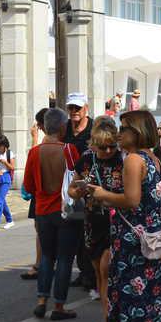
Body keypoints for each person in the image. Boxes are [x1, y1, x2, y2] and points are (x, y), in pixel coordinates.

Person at [88, 110, 161, 322]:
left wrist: (101, 194)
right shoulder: (153, 158)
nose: (118, 134)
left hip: (133, 246)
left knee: (124, 311)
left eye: (124, 129)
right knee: (154, 309)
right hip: (154, 243)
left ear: (137, 132)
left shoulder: (133, 160)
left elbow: (131, 200)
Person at [69, 117, 123, 322]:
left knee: (106, 268)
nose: (108, 150)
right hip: (93, 222)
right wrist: (79, 191)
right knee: (100, 277)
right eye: (103, 147)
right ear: (93, 144)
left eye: (112, 145)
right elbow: (72, 189)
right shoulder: (86, 160)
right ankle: (107, 320)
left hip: (117, 222)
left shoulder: (123, 160)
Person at [23, 108, 79, 320]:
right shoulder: (69, 150)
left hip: (42, 211)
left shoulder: (35, 152)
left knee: (47, 256)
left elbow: (28, 186)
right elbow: (78, 178)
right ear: (62, 127)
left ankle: (41, 300)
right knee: (64, 259)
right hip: (65, 211)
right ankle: (59, 306)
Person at [64, 93, 96, 290]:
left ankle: (91, 275)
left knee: (89, 232)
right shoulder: (65, 129)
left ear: (86, 108)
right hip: (71, 185)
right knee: (75, 231)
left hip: (90, 185)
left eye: (78, 108)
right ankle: (83, 272)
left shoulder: (93, 128)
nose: (74, 112)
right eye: (71, 108)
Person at [21, 108, 48, 281]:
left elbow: (34, 160)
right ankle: (40, 264)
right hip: (40, 191)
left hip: (43, 192)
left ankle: (42, 265)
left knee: (43, 230)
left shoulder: (48, 140)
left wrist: (34, 139)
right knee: (40, 230)